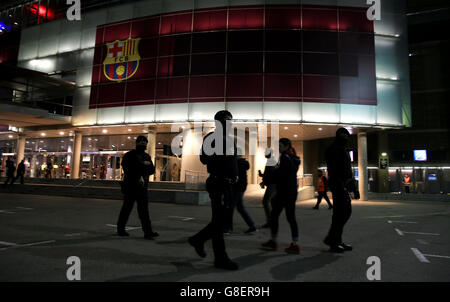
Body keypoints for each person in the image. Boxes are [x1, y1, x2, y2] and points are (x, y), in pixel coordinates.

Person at [188, 110, 239, 270]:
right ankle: (219, 257)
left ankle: (198, 240)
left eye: (230, 120)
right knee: (220, 222)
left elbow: (232, 160)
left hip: (228, 183)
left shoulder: (229, 139)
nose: (228, 123)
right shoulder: (211, 137)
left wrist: (237, 169)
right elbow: (204, 158)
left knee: (222, 221)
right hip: (218, 182)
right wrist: (221, 157)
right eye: (225, 120)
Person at [323, 128, 360, 253]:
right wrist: (340, 185)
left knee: (342, 213)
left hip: (343, 185)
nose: (345, 138)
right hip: (338, 185)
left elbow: (348, 171)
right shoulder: (333, 149)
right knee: (342, 212)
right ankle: (333, 240)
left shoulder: (344, 149)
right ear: (338, 136)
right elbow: (334, 170)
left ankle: (335, 239)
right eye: (343, 135)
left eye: (347, 135)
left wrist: (354, 188)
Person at [261, 138, 301, 254]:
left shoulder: (286, 158)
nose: (278, 147)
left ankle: (274, 242)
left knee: (276, 216)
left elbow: (282, 175)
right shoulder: (292, 157)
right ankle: (294, 243)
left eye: (280, 145)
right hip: (290, 191)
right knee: (289, 217)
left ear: (287, 145)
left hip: (285, 191)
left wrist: (272, 174)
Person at [117, 135, 159, 240]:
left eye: (144, 143)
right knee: (127, 209)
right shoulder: (130, 155)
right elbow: (127, 169)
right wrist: (143, 166)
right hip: (131, 186)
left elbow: (152, 170)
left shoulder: (146, 156)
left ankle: (148, 232)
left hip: (142, 187)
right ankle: (120, 229)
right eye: (142, 143)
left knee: (144, 211)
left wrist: (141, 166)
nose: (143, 145)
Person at [225, 150, 256, 235]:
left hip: (237, 188)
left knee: (230, 207)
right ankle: (252, 225)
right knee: (240, 208)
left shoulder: (238, 163)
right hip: (240, 187)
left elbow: (234, 174)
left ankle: (228, 228)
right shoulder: (242, 162)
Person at [258, 148, 277, 228]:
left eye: (266, 153)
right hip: (273, 184)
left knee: (266, 201)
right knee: (271, 203)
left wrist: (264, 179)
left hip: (272, 184)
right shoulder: (272, 161)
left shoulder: (271, 161)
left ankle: (270, 222)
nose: (264, 154)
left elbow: (271, 174)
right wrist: (262, 176)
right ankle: (273, 220)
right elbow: (269, 174)